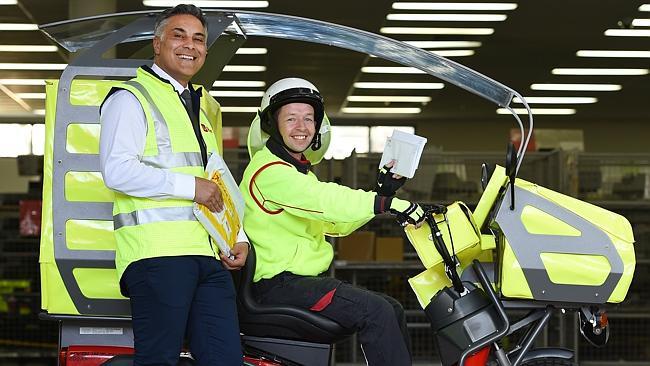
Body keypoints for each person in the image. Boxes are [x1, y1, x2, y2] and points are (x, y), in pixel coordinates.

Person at [99, 4, 247, 365]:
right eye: (178, 35)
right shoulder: (130, 98)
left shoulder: (197, 106)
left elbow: (216, 179)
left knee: (224, 358)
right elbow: (116, 171)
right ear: (157, 43)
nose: (190, 45)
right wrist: (189, 187)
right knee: (159, 360)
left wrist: (237, 236)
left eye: (198, 39)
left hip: (206, 257)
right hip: (157, 257)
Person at [239, 77, 425, 366]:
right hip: (279, 286)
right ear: (271, 125)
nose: (301, 127)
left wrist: (383, 193)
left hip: (300, 283)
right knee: (377, 312)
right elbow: (326, 200)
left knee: (391, 308)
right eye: (291, 119)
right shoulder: (269, 172)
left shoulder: (296, 173)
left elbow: (335, 224)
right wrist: (386, 204)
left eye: (308, 119)